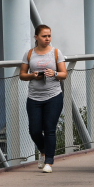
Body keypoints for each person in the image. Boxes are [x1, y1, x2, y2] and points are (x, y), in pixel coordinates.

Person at [20, 24, 67, 174]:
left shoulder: (56, 53)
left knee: (49, 129)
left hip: (53, 96)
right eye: (44, 36)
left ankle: (49, 162)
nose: (47, 39)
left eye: (49, 36)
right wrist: (32, 75)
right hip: (34, 97)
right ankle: (43, 151)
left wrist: (53, 73)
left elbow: (64, 74)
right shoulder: (29, 54)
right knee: (34, 130)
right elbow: (22, 75)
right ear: (36, 37)